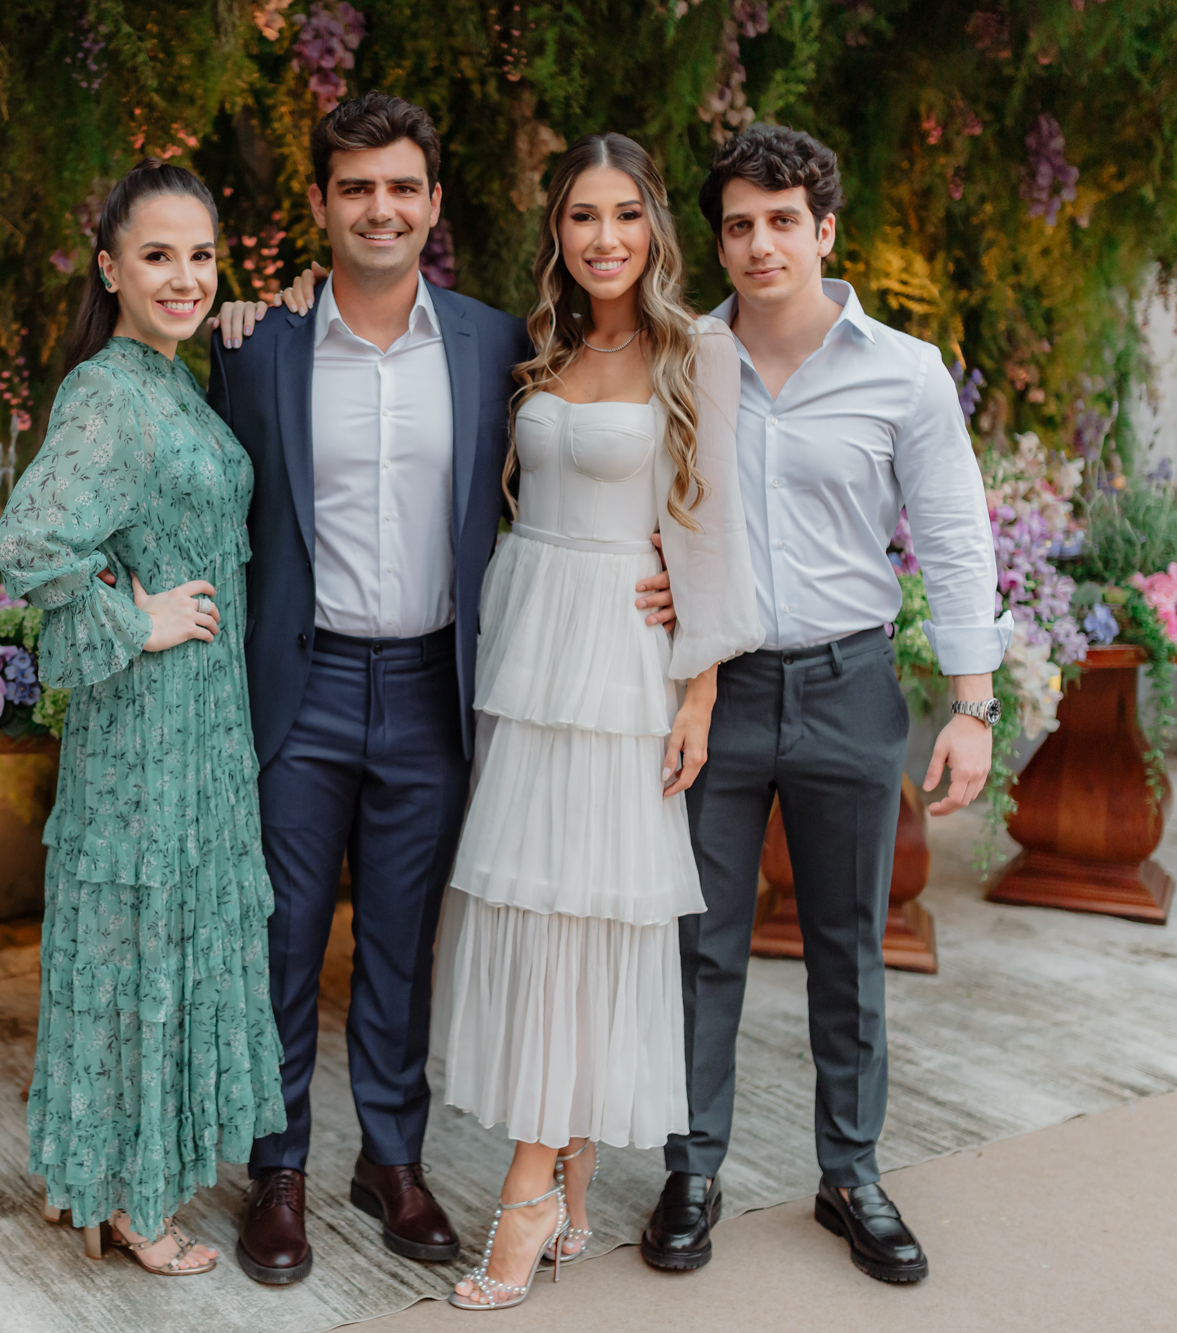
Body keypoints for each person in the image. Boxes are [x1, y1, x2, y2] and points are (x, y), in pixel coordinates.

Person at [204, 93, 676, 1287]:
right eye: (356, 188)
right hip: (302, 683)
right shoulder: (254, 347)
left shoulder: (493, 343)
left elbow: (604, 458)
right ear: (321, 204)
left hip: (434, 684)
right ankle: (276, 1171)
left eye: (401, 187)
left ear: (432, 204)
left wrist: (679, 576)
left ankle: (390, 1160)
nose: (381, 208)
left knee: (403, 944)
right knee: (283, 938)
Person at [640, 124, 1008, 1286]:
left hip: (849, 685)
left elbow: (952, 535)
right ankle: (690, 1166)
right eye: (738, 225)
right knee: (701, 943)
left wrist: (971, 705)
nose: (760, 244)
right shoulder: (678, 359)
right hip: (715, 690)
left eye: (781, 221)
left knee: (849, 943)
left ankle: (848, 1172)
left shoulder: (903, 371)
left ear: (824, 230)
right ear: (718, 242)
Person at [432, 132, 762, 1312]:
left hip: (623, 658)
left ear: (653, 226)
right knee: (530, 903)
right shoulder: (538, 345)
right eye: (581, 214)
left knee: (585, 914)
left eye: (623, 213)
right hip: (527, 645)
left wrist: (698, 687)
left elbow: (712, 522)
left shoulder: (695, 349)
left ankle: (526, 1190)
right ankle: (568, 1181)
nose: (603, 236)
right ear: (557, 230)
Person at [0, 159, 284, 1278]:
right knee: (139, 943)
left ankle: (116, 1177)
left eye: (200, 256)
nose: (184, 277)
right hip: (148, 728)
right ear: (109, 267)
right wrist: (134, 616)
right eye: (157, 255)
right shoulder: (109, 392)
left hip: (199, 727)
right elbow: (29, 540)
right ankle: (128, 1199)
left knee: (159, 939)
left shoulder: (169, 381)